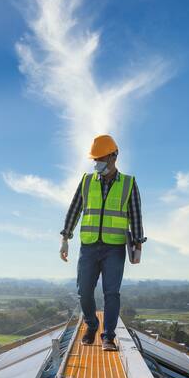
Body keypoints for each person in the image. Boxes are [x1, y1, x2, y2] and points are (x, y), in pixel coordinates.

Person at [59, 134, 145, 352]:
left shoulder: (128, 183)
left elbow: (135, 216)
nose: (96, 163)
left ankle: (108, 336)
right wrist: (65, 238)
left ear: (113, 157)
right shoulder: (87, 181)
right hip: (88, 246)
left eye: (101, 158)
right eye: (94, 159)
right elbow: (74, 209)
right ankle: (91, 326)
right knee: (84, 291)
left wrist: (138, 246)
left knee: (111, 293)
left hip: (114, 248)